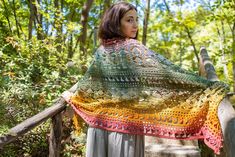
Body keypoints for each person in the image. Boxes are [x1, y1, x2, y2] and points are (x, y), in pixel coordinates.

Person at [62, 1, 228, 157]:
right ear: (115, 23)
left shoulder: (102, 51)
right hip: (124, 128)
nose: (135, 25)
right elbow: (170, 74)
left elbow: (86, 86)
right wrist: (207, 86)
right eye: (129, 20)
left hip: (98, 127)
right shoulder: (132, 48)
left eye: (136, 19)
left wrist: (70, 95)